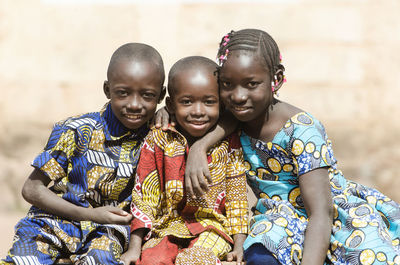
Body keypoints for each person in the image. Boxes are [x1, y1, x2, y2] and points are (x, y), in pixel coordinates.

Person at [184, 29, 400, 265]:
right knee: (260, 253)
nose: (237, 96)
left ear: (275, 79)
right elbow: (184, 105)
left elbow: (321, 212)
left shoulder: (301, 130)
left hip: (332, 216)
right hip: (279, 219)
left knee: (365, 256)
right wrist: (197, 146)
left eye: (251, 84)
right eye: (227, 84)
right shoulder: (234, 117)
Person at [1, 42, 167, 265]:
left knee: (102, 258)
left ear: (161, 95)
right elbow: (32, 189)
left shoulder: (157, 137)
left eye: (147, 96)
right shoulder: (77, 130)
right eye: (123, 93)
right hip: (55, 222)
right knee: (25, 256)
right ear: (107, 90)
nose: (135, 104)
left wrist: (169, 111)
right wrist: (90, 215)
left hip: (110, 231)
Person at [120, 56, 249, 265]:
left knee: (195, 260)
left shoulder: (229, 143)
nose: (198, 111)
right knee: (152, 260)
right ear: (170, 104)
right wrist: (134, 248)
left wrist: (239, 245)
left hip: (213, 228)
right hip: (165, 228)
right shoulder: (159, 138)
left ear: (222, 104)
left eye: (209, 102)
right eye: (187, 102)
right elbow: (144, 198)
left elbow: (238, 199)